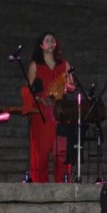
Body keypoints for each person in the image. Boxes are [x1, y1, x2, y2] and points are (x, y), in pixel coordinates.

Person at [23, 32, 75, 183]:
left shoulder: (64, 64)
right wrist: (39, 99)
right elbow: (28, 89)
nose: (51, 42)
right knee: (41, 153)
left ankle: (63, 182)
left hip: (60, 113)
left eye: (53, 40)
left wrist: (65, 85)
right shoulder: (35, 65)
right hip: (42, 113)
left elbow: (72, 86)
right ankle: (40, 184)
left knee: (61, 151)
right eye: (47, 40)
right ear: (41, 45)